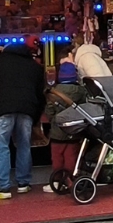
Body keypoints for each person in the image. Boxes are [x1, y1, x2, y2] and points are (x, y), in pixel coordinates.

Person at [0, 34, 46, 200]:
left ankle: (3, 187)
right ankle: (23, 183)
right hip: (27, 109)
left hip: (3, 109)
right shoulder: (35, 66)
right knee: (24, 145)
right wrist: (37, 116)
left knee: (1, 146)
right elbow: (41, 94)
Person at [43, 61, 87, 194]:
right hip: (74, 132)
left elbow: (49, 111)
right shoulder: (81, 91)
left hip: (57, 133)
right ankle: (70, 180)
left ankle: (57, 181)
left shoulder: (55, 92)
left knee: (57, 158)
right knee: (71, 158)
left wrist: (54, 122)